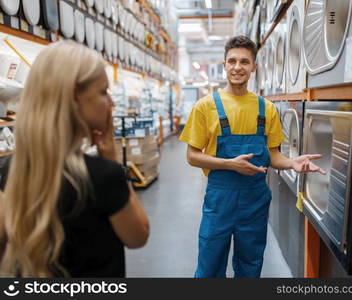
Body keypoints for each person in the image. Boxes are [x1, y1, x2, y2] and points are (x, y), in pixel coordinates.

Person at [179, 36, 325, 278]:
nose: (238, 67)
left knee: (250, 264)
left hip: (254, 200)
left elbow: (274, 156)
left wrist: (292, 162)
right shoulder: (205, 107)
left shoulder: (266, 108)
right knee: (209, 265)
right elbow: (192, 156)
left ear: (254, 66)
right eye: (233, 61)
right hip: (220, 199)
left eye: (244, 62)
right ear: (224, 64)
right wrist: (230, 164)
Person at [0, 41, 149, 277]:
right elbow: (138, 236)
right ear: (72, 99)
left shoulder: (8, 172)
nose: (110, 103)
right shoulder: (102, 177)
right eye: (102, 92)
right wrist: (111, 158)